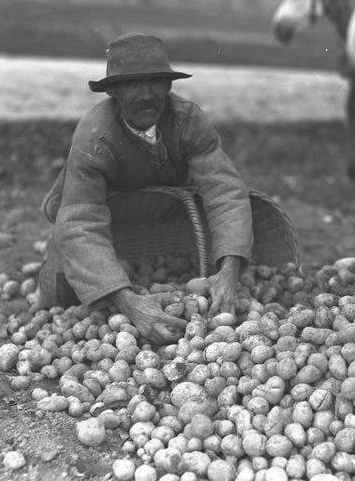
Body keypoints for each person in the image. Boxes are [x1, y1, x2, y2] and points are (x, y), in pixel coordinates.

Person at [38, 32, 254, 346]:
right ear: (113, 91)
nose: (146, 94)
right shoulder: (94, 135)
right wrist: (130, 305)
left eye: (155, 82)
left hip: (165, 202)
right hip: (101, 206)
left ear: (168, 86)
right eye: (132, 84)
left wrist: (230, 270)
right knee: (59, 293)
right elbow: (81, 221)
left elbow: (226, 192)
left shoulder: (188, 121)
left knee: (203, 255)